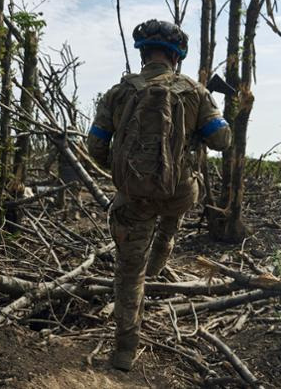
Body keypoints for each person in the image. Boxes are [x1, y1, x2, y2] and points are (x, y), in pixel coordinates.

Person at [87, 19, 231, 371]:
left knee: (128, 273)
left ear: (142, 54)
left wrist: (123, 172)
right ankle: (162, 250)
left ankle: (124, 351)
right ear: (176, 57)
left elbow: (95, 145)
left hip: (134, 198)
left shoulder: (118, 93)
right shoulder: (195, 92)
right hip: (179, 193)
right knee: (176, 205)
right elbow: (222, 141)